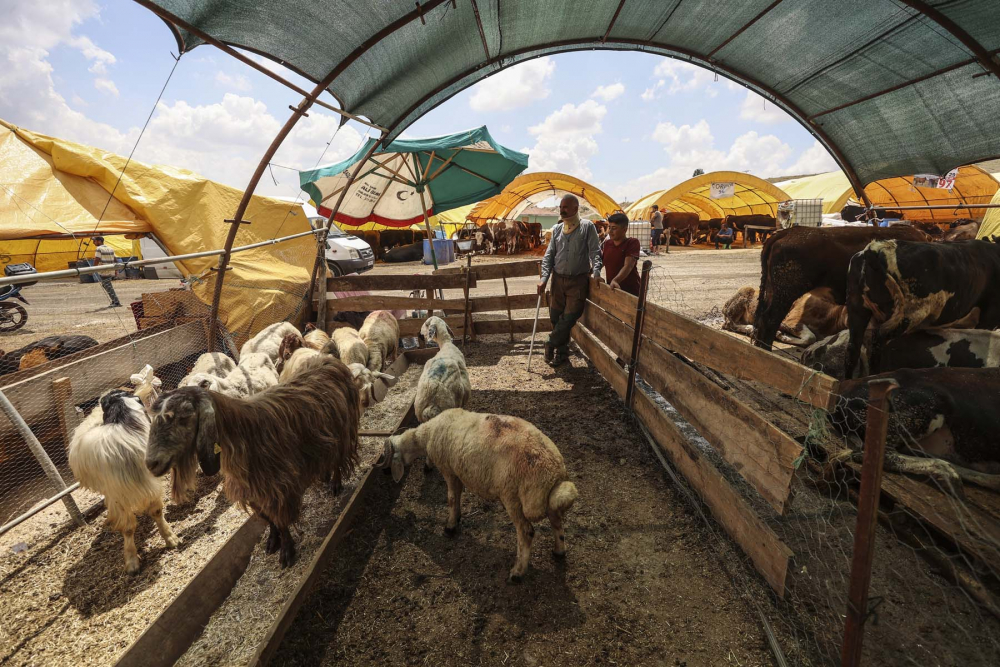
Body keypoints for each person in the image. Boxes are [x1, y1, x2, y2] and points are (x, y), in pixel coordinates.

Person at [538, 194, 602, 367]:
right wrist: (544, 278)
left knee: (570, 316)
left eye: (565, 207)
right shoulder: (558, 229)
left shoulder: (587, 227)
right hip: (558, 280)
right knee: (555, 316)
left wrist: (596, 272)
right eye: (560, 207)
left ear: (575, 209)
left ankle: (551, 341)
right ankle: (562, 354)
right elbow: (549, 255)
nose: (562, 210)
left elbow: (595, 252)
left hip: (578, 280)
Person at [599, 213, 641, 297]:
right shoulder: (607, 243)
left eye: (614, 228)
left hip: (630, 291)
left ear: (624, 230)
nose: (610, 231)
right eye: (609, 228)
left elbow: (628, 266)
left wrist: (615, 280)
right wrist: (592, 272)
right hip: (613, 288)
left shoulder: (632, 243)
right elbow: (603, 262)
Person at [92, 236, 122, 307]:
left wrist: (93, 269)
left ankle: (116, 302)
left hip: (104, 270)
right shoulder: (110, 248)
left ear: (99, 241)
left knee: (107, 285)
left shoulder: (99, 249)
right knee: (106, 285)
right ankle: (114, 301)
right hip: (110, 269)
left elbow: (97, 259)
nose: (94, 243)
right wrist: (116, 269)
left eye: (95, 241)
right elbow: (115, 259)